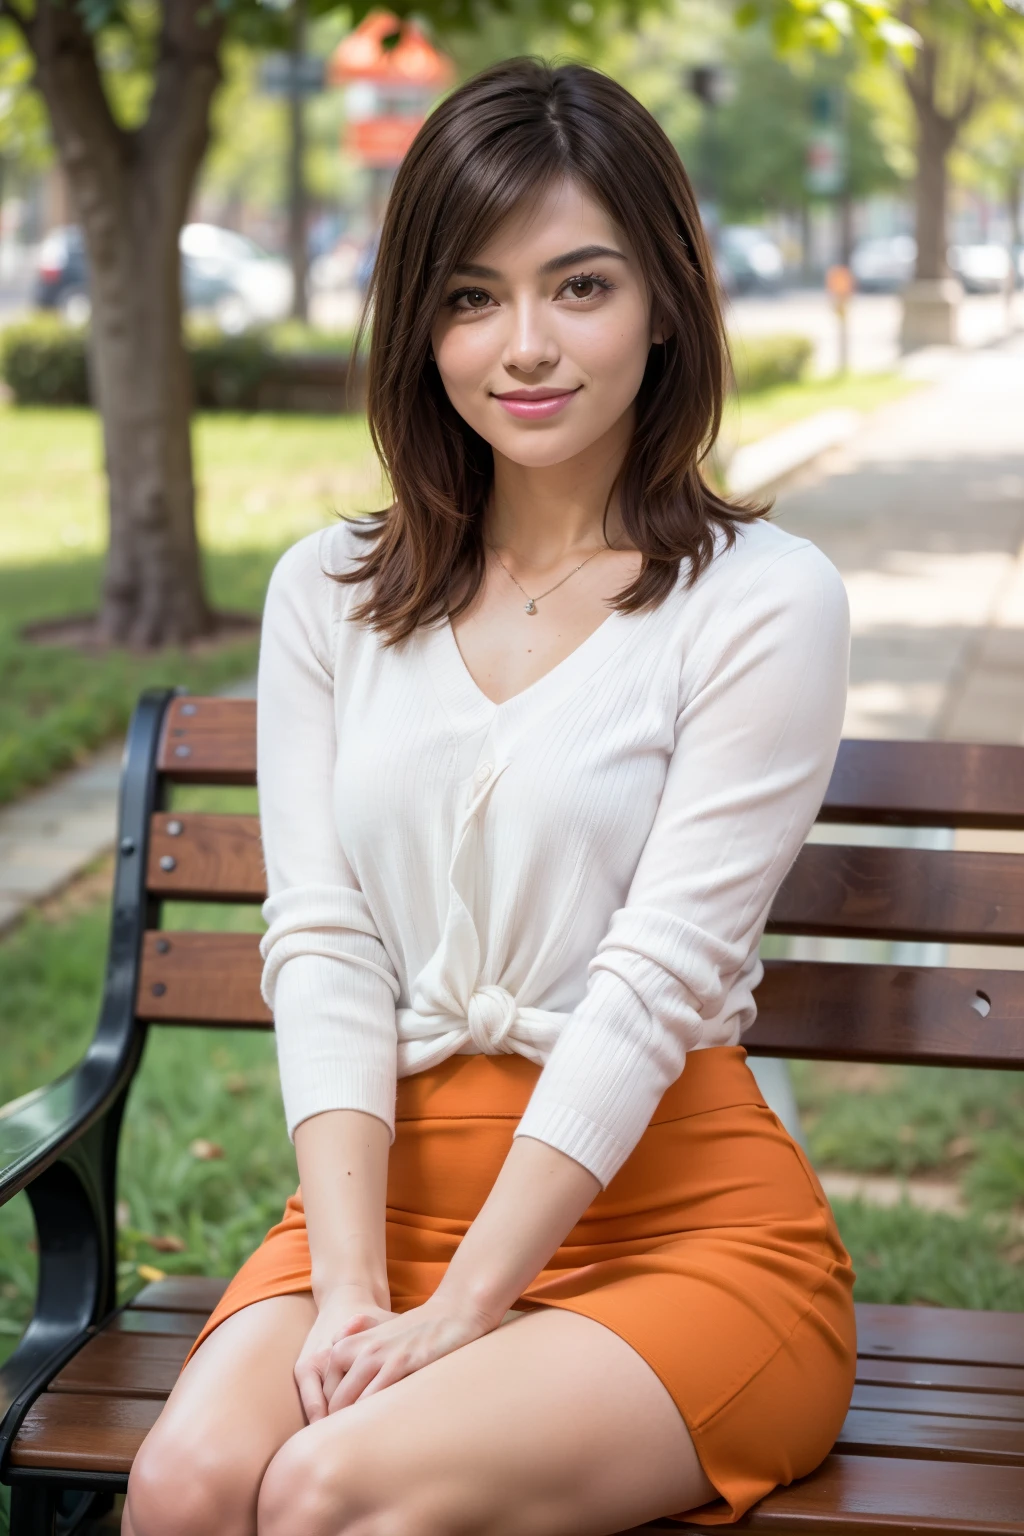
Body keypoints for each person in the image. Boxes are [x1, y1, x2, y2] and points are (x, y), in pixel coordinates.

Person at [125, 58, 855, 1536]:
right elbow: (321, 942)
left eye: (579, 287)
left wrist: (462, 1311)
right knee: (190, 1484)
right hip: (375, 1213)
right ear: (419, 326)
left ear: (664, 301)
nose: (524, 346)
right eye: (470, 297)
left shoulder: (763, 602)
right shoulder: (328, 595)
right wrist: (349, 1292)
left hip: (679, 1228)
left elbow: (656, 984)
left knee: (339, 1487)